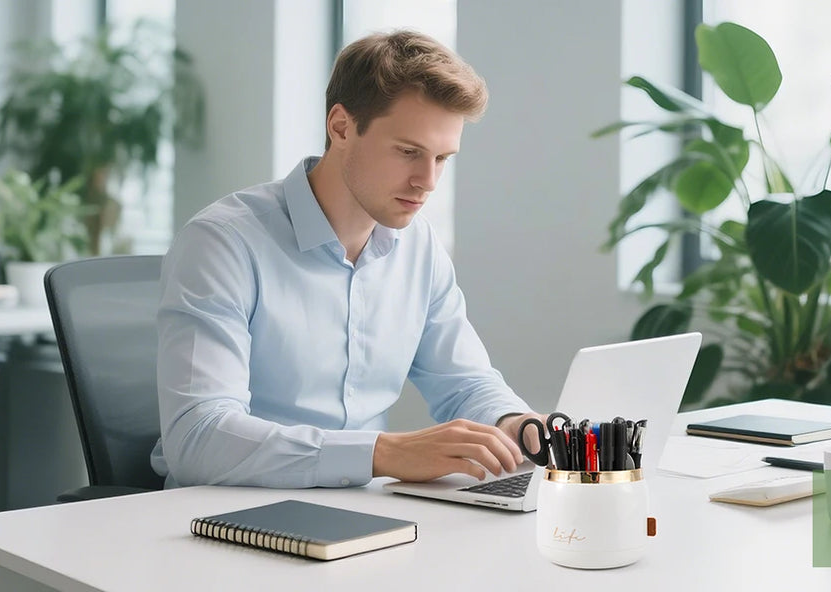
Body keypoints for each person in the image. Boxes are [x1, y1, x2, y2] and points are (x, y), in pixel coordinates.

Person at [151, 30, 544, 489]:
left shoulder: (419, 248)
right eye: (408, 152)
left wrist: (515, 423)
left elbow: (465, 383)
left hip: (361, 512)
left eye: (442, 158)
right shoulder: (222, 243)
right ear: (340, 127)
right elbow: (198, 439)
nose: (427, 181)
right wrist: (381, 453)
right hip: (226, 518)